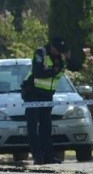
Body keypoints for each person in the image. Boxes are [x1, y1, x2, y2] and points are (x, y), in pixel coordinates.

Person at [24, 36, 67, 165]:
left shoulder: (61, 58)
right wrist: (53, 70)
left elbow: (72, 65)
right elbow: (38, 72)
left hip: (47, 95)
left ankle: (48, 156)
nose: (58, 52)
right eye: (57, 49)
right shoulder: (40, 52)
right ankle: (37, 157)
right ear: (52, 46)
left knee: (46, 127)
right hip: (33, 93)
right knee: (33, 127)